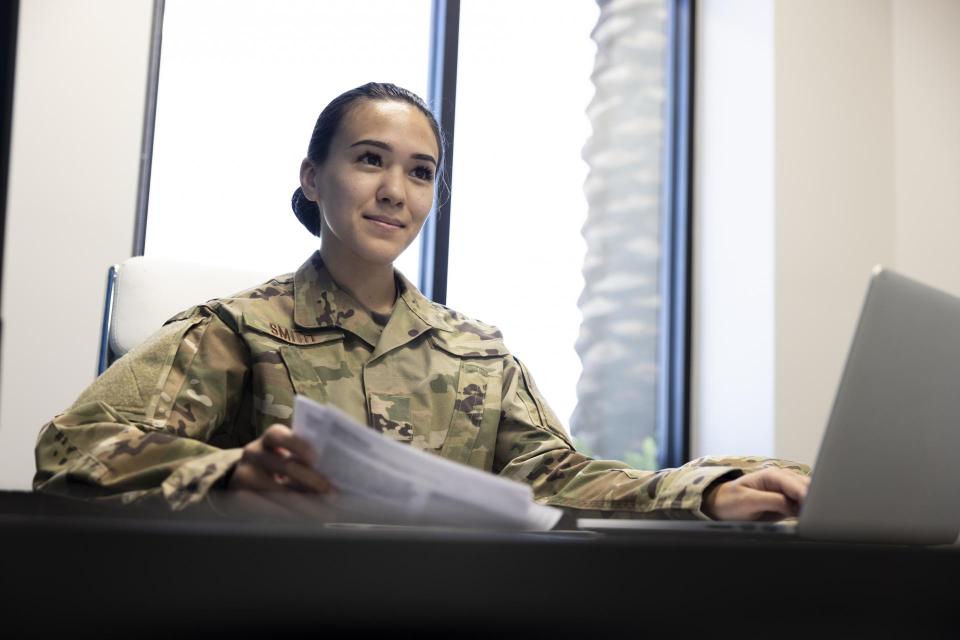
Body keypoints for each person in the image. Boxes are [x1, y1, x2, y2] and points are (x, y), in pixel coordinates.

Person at [34, 82, 809, 522]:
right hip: (277, 608)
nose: (394, 192)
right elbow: (73, 449)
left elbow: (560, 478)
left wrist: (706, 489)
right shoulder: (235, 331)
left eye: (420, 172)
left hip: (451, 608)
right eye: (370, 160)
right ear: (313, 178)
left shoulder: (477, 351)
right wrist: (231, 468)